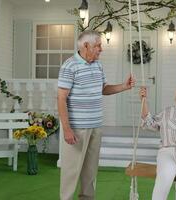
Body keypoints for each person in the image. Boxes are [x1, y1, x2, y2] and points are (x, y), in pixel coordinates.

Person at [58, 30, 135, 200]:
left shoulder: (98, 65)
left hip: (96, 126)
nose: (101, 49)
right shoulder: (69, 65)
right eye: (98, 45)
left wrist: (124, 86)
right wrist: (67, 129)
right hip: (77, 129)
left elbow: (103, 89)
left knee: (90, 171)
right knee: (71, 171)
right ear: (86, 46)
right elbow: (61, 98)